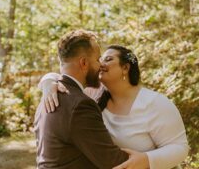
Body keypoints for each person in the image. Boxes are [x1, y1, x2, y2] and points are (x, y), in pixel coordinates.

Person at [39, 39, 189, 169]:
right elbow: (67, 77)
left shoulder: (156, 103)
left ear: (125, 68)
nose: (100, 64)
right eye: (100, 59)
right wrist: (48, 81)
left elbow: (180, 148)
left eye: (108, 59)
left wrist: (146, 160)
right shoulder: (90, 96)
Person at [34, 30, 132, 169]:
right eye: (98, 59)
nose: (101, 65)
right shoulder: (80, 105)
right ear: (84, 63)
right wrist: (151, 158)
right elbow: (111, 161)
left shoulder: (48, 98)